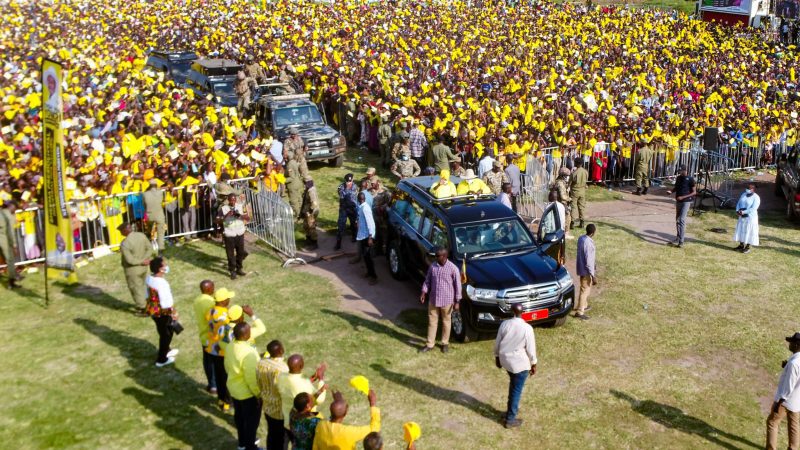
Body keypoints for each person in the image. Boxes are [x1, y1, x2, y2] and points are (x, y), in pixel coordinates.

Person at [494, 303, 537, 429]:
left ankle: (509, 412)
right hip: (519, 364)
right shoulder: (527, 328)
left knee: (513, 386)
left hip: (506, 361)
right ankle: (510, 419)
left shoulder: (505, 324)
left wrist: (497, 357)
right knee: (516, 390)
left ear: (512, 311)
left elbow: (498, 342)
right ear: (522, 312)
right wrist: (534, 363)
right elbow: (530, 348)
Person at [225, 322, 262, 450]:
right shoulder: (249, 353)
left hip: (234, 390)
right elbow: (251, 378)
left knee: (240, 418)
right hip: (247, 394)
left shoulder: (230, 346)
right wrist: (258, 394)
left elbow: (227, 366)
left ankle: (242, 444)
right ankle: (250, 447)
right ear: (246, 334)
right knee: (251, 423)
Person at [419, 247, 462, 353]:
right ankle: (430, 344)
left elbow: (458, 286)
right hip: (433, 299)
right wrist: (423, 292)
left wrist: (457, 301)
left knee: (446, 322)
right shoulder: (433, 267)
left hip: (447, 301)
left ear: (445, 256)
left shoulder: (453, 268)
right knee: (432, 322)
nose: (435, 258)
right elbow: (427, 280)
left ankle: (444, 343)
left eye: (438, 256)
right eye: (435, 256)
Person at [312, 389, 380, 450]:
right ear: (346, 413)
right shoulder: (349, 432)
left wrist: (338, 401)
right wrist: (372, 403)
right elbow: (374, 428)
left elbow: (315, 446)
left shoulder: (321, 425)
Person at [766, 332, 800, 450]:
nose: (789, 343)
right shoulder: (794, 362)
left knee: (772, 422)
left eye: (791, 341)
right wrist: (787, 366)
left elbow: (789, 385)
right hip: (797, 402)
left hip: (785, 401)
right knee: (794, 428)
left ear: (797, 345)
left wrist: (779, 402)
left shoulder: (794, 363)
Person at [277, 354, 328, 431]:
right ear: (301, 366)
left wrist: (312, 379)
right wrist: (321, 379)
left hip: (287, 419)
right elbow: (319, 400)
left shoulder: (281, 376)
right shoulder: (305, 386)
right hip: (302, 424)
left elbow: (297, 382)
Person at [206, 287, 237, 412]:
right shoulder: (225, 316)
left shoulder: (212, 311)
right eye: (228, 298)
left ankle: (220, 398)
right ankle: (227, 402)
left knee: (219, 376)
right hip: (222, 350)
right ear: (223, 301)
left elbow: (207, 317)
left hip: (212, 348)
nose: (229, 299)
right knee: (227, 378)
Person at [145, 257, 179, 367]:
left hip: (152, 310)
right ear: (160, 269)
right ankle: (161, 359)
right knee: (167, 334)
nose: (166, 266)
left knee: (161, 330)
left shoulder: (149, 278)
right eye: (164, 265)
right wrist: (173, 312)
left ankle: (167, 349)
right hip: (162, 312)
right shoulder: (162, 283)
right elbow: (166, 301)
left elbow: (147, 295)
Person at [257, 340, 289, 450]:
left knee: (271, 435)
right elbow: (286, 392)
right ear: (281, 350)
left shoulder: (261, 363)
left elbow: (259, 382)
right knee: (282, 440)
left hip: (267, 407)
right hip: (280, 412)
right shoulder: (283, 369)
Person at [119, 222, 152, 316]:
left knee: (136, 288)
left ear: (125, 230)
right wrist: (145, 259)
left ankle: (143, 309)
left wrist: (141, 261)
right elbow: (149, 248)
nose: (121, 233)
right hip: (145, 267)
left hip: (132, 269)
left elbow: (129, 260)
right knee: (145, 286)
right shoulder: (141, 235)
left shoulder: (125, 243)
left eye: (121, 231)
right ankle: (149, 304)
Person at [193, 279, 217, 394]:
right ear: (208, 289)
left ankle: (211, 384)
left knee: (207, 361)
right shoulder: (210, 303)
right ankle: (214, 385)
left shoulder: (197, 300)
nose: (214, 289)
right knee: (214, 362)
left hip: (203, 335)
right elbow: (213, 320)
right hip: (211, 336)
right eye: (213, 287)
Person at [218, 193, 249, 280]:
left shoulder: (240, 206)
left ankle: (239, 268)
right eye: (231, 200)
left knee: (241, 252)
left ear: (236, 200)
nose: (232, 202)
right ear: (228, 200)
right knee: (230, 254)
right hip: (229, 234)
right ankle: (232, 271)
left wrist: (240, 215)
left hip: (239, 233)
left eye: (234, 200)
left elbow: (247, 218)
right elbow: (217, 220)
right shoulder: (223, 209)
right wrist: (227, 215)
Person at [666, 165, 695, 248]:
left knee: (681, 219)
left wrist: (683, 197)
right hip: (678, 201)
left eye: (681, 171)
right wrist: (671, 191)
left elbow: (694, 192)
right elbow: (676, 187)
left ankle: (681, 241)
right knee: (677, 219)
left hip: (686, 201)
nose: (679, 172)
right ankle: (678, 238)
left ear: (685, 170)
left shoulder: (690, 179)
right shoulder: (678, 178)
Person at [575, 224, 597, 321]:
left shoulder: (581, 238)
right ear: (593, 232)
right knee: (585, 290)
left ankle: (584, 305)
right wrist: (593, 275)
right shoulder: (588, 243)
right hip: (586, 271)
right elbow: (588, 261)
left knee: (583, 288)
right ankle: (580, 311)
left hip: (580, 268)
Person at [355, 191, 377, 285]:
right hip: (363, 235)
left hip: (367, 236)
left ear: (359, 199)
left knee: (368, 257)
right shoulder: (361, 207)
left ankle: (374, 277)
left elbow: (370, 223)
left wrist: (370, 237)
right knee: (365, 256)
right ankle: (369, 272)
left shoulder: (365, 208)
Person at [734, 183, 760, 254]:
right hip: (742, 216)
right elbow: (739, 203)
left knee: (749, 231)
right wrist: (737, 210)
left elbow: (753, 209)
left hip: (750, 217)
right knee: (741, 229)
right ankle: (741, 245)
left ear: (753, 190)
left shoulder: (756, 197)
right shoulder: (743, 194)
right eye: (747, 188)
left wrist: (744, 212)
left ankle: (747, 247)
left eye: (749, 188)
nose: (747, 189)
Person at [335, 173, 359, 251]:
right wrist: (347, 191)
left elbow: (353, 196)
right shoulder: (341, 187)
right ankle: (338, 243)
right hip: (344, 209)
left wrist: (347, 192)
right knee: (341, 225)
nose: (349, 183)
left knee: (354, 224)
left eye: (350, 181)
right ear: (345, 181)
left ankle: (354, 236)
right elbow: (342, 196)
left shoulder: (355, 186)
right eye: (347, 182)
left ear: (352, 180)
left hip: (352, 209)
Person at [0, 200, 20, 288]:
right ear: (12, 206)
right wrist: (14, 245)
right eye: (15, 209)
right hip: (3, 239)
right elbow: (11, 233)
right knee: (10, 259)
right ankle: (11, 282)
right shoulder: (9, 216)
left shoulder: (2, 212)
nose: (15, 211)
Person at [142, 179, 166, 253]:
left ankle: (150, 241)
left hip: (149, 215)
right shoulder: (160, 193)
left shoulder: (145, 194)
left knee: (149, 230)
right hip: (159, 215)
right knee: (160, 232)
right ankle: (160, 250)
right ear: (156, 185)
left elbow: (144, 205)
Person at [300, 175, 320, 251]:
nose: (304, 184)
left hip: (311, 212)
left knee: (311, 227)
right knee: (306, 225)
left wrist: (310, 212)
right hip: (307, 211)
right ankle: (308, 239)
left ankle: (314, 243)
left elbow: (314, 203)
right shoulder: (308, 189)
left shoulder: (311, 191)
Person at [569, 158, 589, 229]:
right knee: (581, 207)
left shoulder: (574, 173)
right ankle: (582, 222)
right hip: (582, 191)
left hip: (575, 191)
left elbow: (569, 183)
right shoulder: (585, 172)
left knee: (573, 207)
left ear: (576, 163)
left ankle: (572, 222)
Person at [554, 167, 572, 232]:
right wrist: (570, 199)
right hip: (562, 202)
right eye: (567, 176)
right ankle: (566, 232)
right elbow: (563, 196)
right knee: (567, 216)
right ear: (563, 176)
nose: (568, 177)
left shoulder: (559, 181)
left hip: (559, 202)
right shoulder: (560, 183)